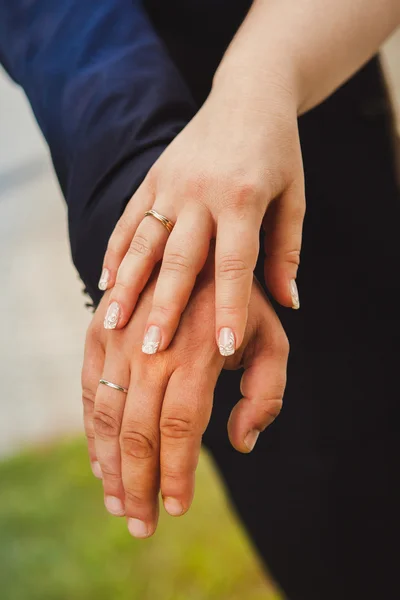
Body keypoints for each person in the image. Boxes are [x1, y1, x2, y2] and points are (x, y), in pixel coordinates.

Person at [1, 1, 400, 599]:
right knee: (338, 538)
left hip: (324, 112)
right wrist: (143, 199)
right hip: (215, 255)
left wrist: (252, 93)